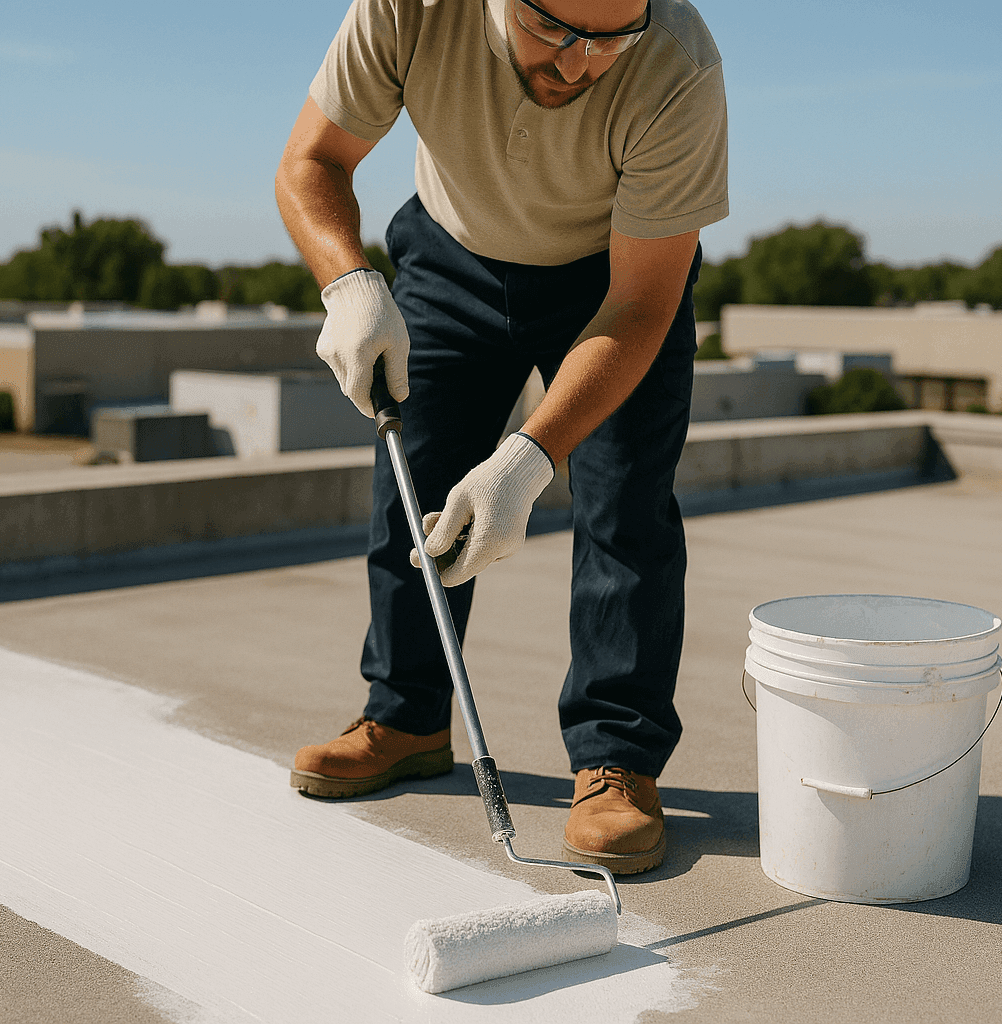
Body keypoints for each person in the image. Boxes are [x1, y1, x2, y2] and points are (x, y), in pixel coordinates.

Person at [276, 0, 727, 875]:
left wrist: (528, 458)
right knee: (415, 490)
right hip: (451, 255)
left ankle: (617, 760)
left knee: (624, 504)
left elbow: (641, 302)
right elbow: (313, 161)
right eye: (553, 31)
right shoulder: (406, 9)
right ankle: (406, 717)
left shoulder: (679, 66)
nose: (579, 65)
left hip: (611, 283)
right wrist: (348, 282)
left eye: (608, 40)